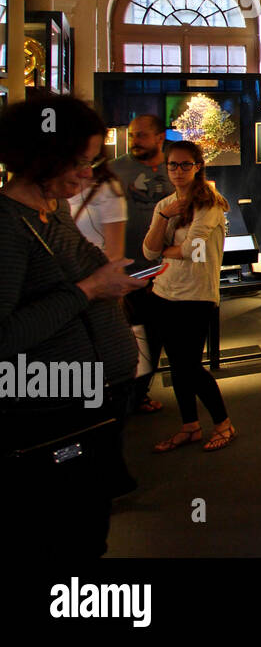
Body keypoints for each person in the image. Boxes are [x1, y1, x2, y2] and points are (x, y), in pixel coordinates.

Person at [0, 91, 144, 556]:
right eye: (80, 163)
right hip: (49, 412)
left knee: (88, 532)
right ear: (44, 158)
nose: (88, 175)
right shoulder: (7, 226)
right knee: (63, 537)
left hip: (91, 403)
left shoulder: (52, 211)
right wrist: (88, 291)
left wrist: (111, 282)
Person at [144, 140, 237, 453]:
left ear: (198, 167)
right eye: (173, 165)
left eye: (185, 165)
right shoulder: (167, 204)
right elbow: (147, 251)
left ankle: (223, 423)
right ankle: (190, 426)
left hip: (196, 295)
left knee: (190, 366)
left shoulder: (209, 204)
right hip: (163, 292)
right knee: (177, 367)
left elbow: (191, 250)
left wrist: (163, 251)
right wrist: (163, 217)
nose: (179, 171)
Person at [111, 114, 174, 414]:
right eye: (132, 135)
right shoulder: (115, 170)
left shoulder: (175, 164)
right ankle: (125, 396)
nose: (134, 141)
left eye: (141, 135)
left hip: (167, 269)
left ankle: (139, 394)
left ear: (160, 137)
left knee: (157, 334)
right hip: (129, 270)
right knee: (129, 338)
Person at [68, 158, 128, 261]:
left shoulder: (107, 189)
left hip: (90, 269)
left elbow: (115, 255)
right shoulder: (51, 187)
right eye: (81, 162)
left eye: (91, 163)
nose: (88, 171)